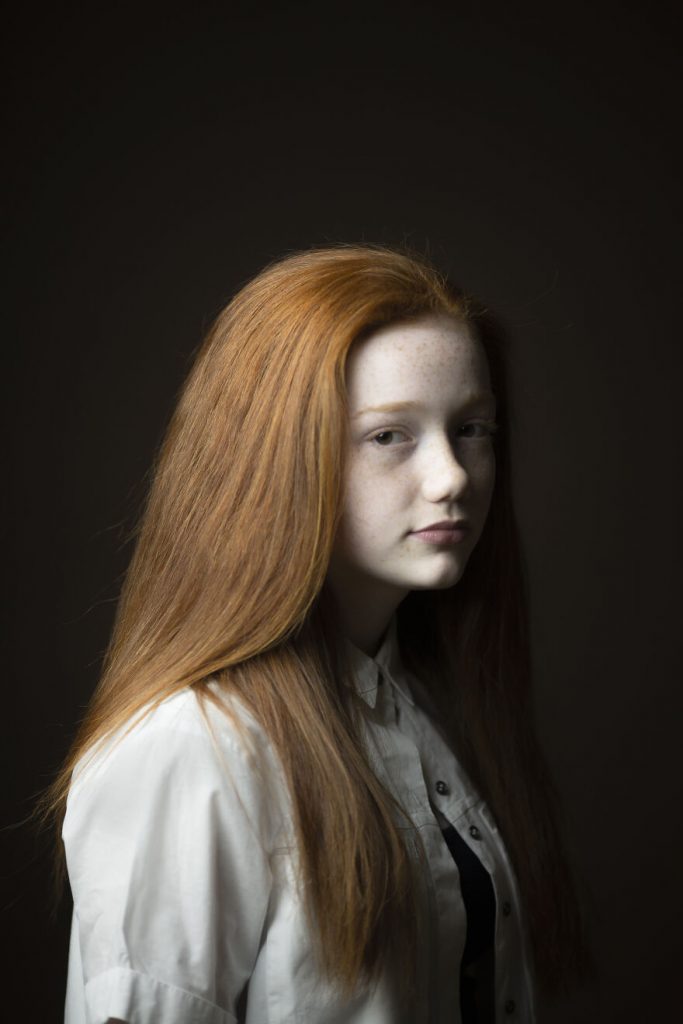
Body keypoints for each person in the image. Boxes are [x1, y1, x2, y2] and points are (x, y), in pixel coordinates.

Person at [39, 243, 593, 1023]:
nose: (452, 477)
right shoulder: (190, 752)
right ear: (274, 458)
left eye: (471, 428)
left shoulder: (422, 711)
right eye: (389, 435)